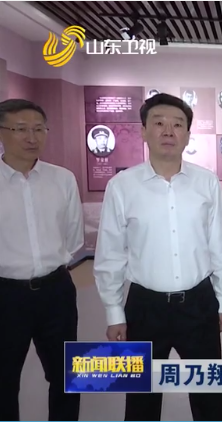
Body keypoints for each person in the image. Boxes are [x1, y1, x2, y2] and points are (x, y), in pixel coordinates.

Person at [94, 93, 222, 421]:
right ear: (143, 131)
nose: (168, 131)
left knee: (210, 398)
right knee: (140, 401)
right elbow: (110, 252)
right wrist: (114, 312)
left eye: (177, 124)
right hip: (145, 307)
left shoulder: (206, 182)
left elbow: (219, 244)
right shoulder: (122, 186)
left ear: (187, 134)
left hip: (198, 303)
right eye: (159, 123)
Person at [0, 99, 83, 421]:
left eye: (39, 129)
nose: (31, 137)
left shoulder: (62, 179)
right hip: (6, 294)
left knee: (67, 377)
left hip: (56, 290)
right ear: (2, 132)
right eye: (21, 129)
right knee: (5, 379)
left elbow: (73, 235)